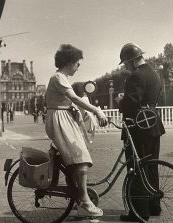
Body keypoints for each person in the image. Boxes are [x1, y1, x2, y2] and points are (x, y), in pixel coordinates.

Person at [45, 44, 107, 217]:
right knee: (81, 159)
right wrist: (96, 110)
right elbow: (73, 98)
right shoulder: (58, 77)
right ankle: (85, 202)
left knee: (75, 160)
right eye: (78, 64)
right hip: (60, 121)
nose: (78, 68)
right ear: (70, 62)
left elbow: (68, 101)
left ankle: (79, 200)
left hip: (63, 120)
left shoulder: (61, 78)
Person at [116, 43, 165, 222]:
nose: (125, 67)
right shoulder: (154, 73)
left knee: (136, 168)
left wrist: (121, 100)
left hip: (139, 127)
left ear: (131, 60)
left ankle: (138, 212)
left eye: (125, 63)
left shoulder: (136, 76)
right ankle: (153, 206)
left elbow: (132, 102)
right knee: (151, 165)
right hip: (153, 124)